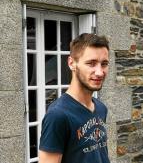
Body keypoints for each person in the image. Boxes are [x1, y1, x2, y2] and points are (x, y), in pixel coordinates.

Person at [39, 33, 111, 163]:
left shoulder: (101, 108)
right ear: (72, 63)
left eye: (104, 64)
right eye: (91, 63)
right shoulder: (58, 115)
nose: (100, 72)